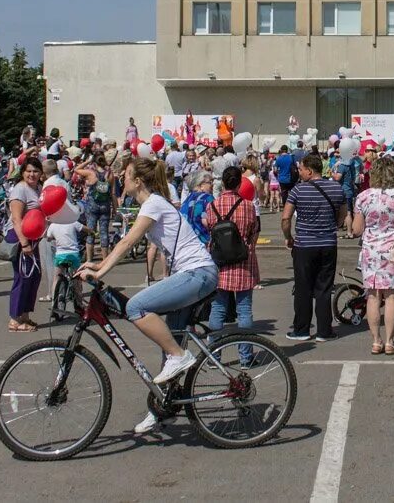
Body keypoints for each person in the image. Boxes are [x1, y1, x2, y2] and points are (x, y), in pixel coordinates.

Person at [78, 157, 218, 435]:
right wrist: (98, 265)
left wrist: (102, 271)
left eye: (126, 175)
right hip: (195, 273)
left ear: (137, 180)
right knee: (169, 350)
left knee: (137, 307)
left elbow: (129, 240)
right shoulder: (152, 204)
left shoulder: (153, 203)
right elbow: (128, 245)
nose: (122, 178)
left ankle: (181, 355)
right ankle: (162, 408)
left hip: (197, 273)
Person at [281, 153, 347, 342]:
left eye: (301, 169)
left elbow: (286, 218)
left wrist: (288, 237)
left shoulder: (297, 191)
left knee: (303, 288)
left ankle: (301, 329)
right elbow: (343, 214)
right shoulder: (336, 188)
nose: (299, 173)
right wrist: (333, 226)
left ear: (309, 171)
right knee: (324, 288)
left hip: (304, 245)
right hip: (328, 243)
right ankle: (324, 331)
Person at [203, 167, 261, 359]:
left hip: (220, 262)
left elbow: (210, 229)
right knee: (244, 310)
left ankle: (214, 355)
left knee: (218, 308)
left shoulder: (212, 206)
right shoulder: (248, 206)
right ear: (238, 184)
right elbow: (253, 232)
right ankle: (245, 356)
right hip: (243, 262)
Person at [351, 156, 394, 355]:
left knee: (372, 297)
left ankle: (376, 341)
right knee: (391, 296)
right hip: (392, 250)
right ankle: (390, 341)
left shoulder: (363, 197)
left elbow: (357, 229)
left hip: (370, 251)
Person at [5, 158, 44, 330]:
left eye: (35, 171)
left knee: (34, 277)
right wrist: (25, 244)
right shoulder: (20, 190)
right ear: (22, 172)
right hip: (21, 238)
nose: (32, 174)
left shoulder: (38, 189)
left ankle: (25, 315)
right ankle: (15, 319)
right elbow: (16, 219)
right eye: (28, 171)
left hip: (34, 238)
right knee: (22, 277)